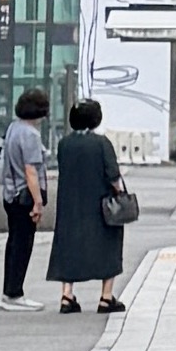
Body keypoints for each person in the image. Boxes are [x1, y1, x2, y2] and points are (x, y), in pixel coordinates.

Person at [49, 95, 132, 320]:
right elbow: (113, 175)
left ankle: (67, 295)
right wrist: (120, 192)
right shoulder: (102, 143)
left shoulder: (64, 144)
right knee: (108, 245)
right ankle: (106, 297)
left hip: (70, 204)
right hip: (100, 205)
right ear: (96, 119)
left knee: (68, 246)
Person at [0, 86, 54, 302]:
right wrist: (38, 202)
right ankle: (14, 293)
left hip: (10, 193)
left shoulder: (14, 128)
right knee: (23, 244)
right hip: (24, 196)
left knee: (14, 243)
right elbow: (31, 170)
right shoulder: (30, 134)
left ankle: (9, 291)